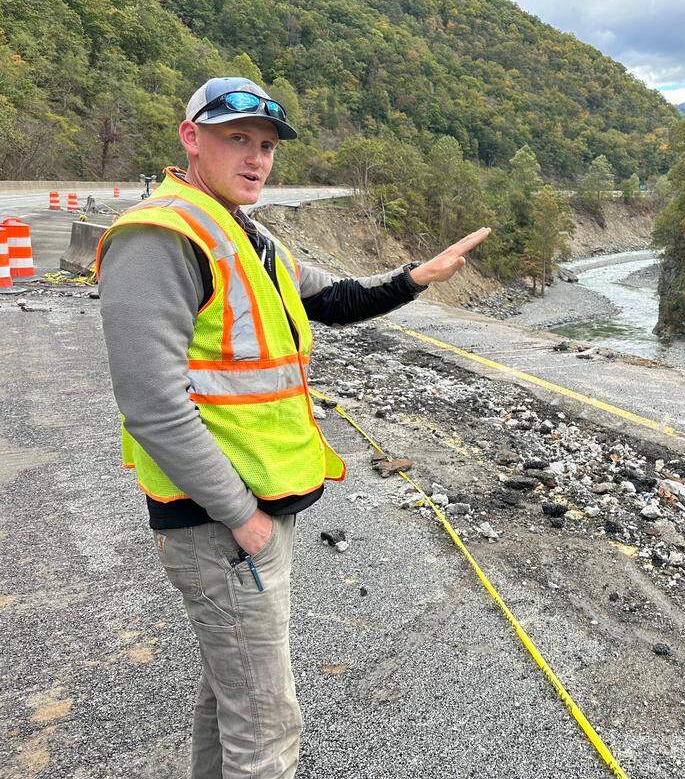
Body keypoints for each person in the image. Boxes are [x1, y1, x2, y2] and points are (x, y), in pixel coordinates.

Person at [97, 76, 490, 779]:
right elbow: (152, 404)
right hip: (220, 521)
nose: (256, 158)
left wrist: (416, 277)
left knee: (231, 693)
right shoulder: (162, 236)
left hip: (249, 510)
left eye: (267, 145)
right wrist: (240, 516)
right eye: (236, 139)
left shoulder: (243, 232)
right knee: (268, 727)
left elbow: (333, 299)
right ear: (191, 138)